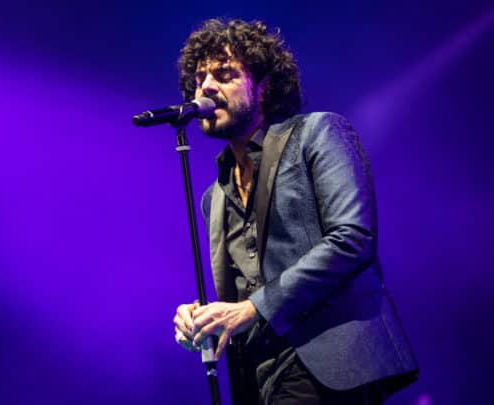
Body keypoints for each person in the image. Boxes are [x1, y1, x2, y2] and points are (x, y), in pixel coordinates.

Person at [172, 18, 419, 404]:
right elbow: (245, 288)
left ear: (264, 87)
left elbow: (352, 239)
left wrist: (253, 308)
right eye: (199, 78)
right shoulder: (213, 198)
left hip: (332, 359)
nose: (205, 87)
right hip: (259, 378)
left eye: (224, 74)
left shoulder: (317, 134)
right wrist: (204, 319)